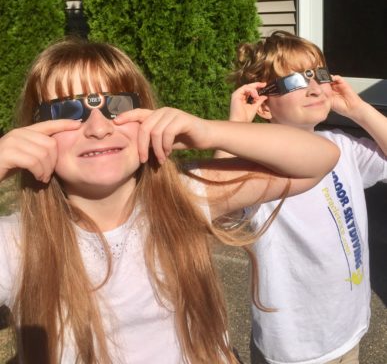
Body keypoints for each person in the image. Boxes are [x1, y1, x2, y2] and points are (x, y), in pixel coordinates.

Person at [0, 38, 339, 364]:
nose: (99, 127)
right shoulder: (16, 243)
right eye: (68, 110)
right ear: (34, 131)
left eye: (117, 105)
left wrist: (209, 131)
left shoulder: (183, 195)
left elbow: (318, 159)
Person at [218, 30, 387, 364]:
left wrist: (359, 109)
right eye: (294, 81)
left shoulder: (342, 146)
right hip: (295, 347)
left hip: (348, 328)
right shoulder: (255, 166)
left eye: (317, 75)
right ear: (264, 105)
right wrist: (236, 124)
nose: (313, 87)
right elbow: (221, 201)